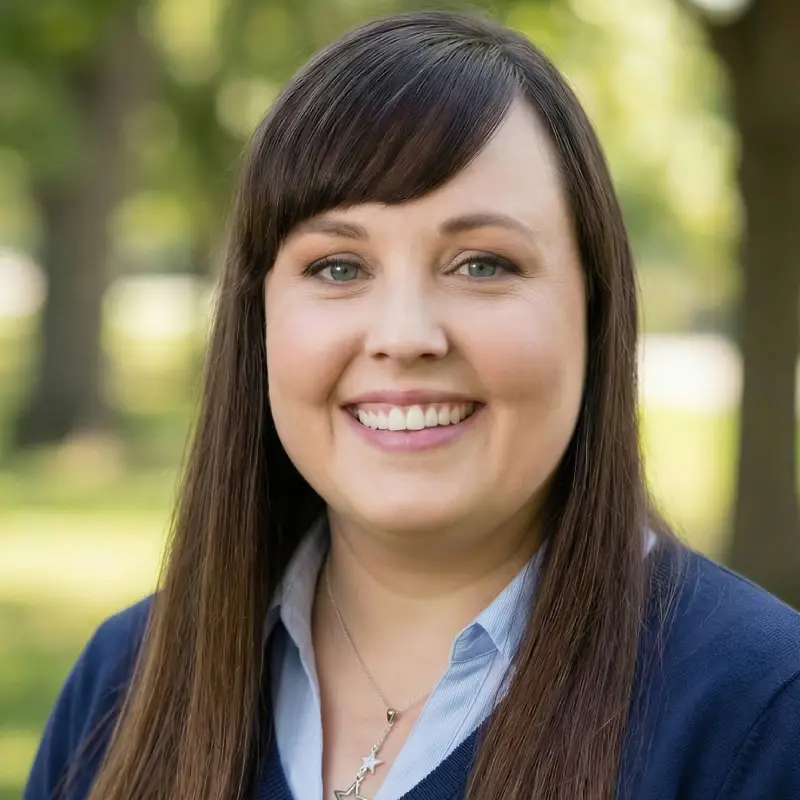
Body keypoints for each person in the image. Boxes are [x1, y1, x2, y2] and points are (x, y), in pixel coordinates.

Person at [23, 10, 800, 800]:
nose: (404, 336)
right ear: (257, 320)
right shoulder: (125, 686)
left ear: (595, 311)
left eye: (481, 264)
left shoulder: (764, 714)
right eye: (336, 267)